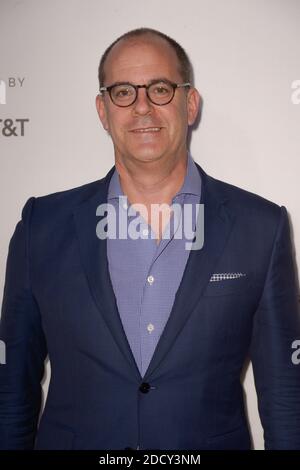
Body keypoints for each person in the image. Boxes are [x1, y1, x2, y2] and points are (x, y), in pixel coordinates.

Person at [0, 27, 299, 451]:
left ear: (189, 103)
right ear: (103, 110)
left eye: (160, 88)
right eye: (123, 92)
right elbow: (12, 387)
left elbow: (286, 394)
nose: (142, 107)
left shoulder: (261, 227)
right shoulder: (40, 226)